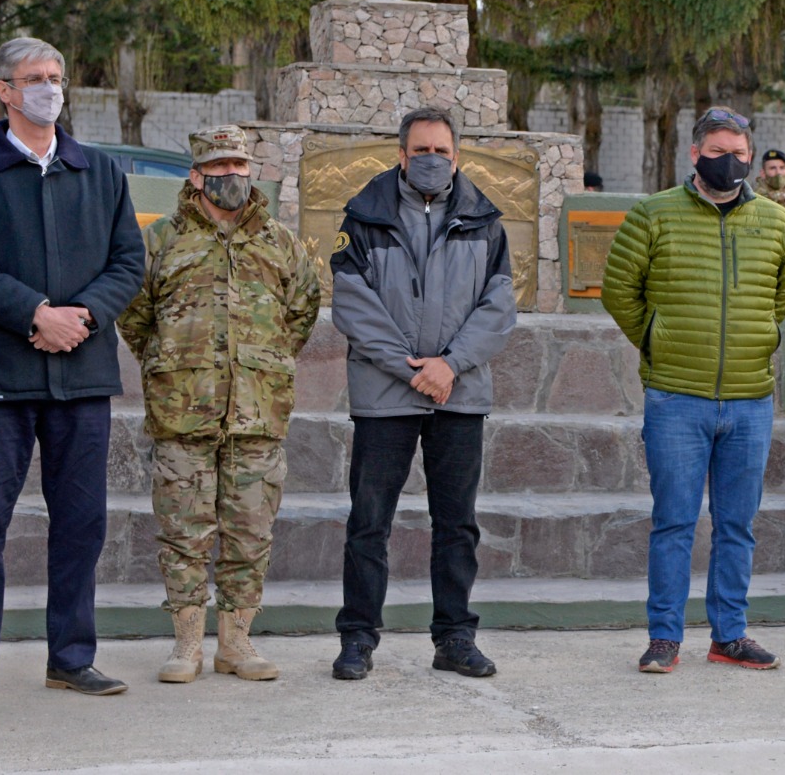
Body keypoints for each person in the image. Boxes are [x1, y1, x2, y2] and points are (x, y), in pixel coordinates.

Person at [0, 37, 147, 703]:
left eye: (56, 76)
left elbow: (128, 263)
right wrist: (35, 314)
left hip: (81, 377)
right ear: (3, 89)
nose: (49, 88)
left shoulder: (101, 171)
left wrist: (81, 315)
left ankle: (72, 656)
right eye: (34, 78)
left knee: (82, 522)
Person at [602, 107, 785, 674]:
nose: (731, 162)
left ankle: (729, 635)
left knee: (737, 524)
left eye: (740, 152)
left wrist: (757, 335)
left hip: (749, 399)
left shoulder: (776, 222)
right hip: (676, 397)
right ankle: (664, 636)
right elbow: (620, 291)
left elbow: (783, 294)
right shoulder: (652, 214)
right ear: (695, 154)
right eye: (718, 151)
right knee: (674, 522)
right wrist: (656, 339)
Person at [118, 125, 320, 683]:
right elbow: (135, 315)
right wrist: (174, 363)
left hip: (258, 412)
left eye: (238, 166)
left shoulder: (279, 241)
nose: (230, 176)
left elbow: (301, 312)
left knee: (251, 531)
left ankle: (237, 644)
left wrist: (261, 364)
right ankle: (186, 646)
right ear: (195, 174)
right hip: (182, 413)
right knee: (183, 531)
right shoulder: (161, 241)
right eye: (218, 166)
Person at [328, 106, 516, 681]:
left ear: (456, 156)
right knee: (369, 522)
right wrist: (415, 369)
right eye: (421, 150)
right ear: (401, 155)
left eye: (441, 150)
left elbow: (499, 306)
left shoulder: (485, 221)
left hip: (458, 394)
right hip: (386, 395)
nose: (431, 159)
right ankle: (358, 638)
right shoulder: (364, 217)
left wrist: (450, 365)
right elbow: (352, 304)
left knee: (456, 523)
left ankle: (455, 638)